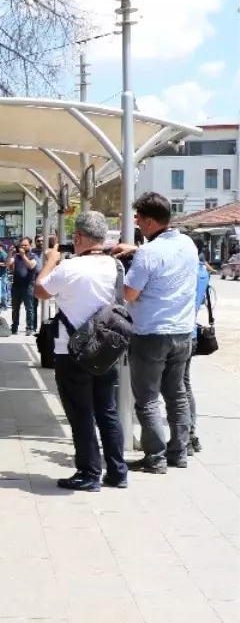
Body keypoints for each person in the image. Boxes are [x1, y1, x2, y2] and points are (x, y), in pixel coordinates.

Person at [33, 211, 127, 491]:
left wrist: (50, 261)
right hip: (107, 349)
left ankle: (88, 473)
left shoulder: (69, 268)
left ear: (78, 238)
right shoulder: (115, 266)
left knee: (81, 412)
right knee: (107, 410)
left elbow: (40, 290)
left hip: (72, 351)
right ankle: (117, 471)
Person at [112, 192, 198, 474]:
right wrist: (135, 250)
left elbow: (130, 293)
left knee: (147, 399)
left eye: (137, 218)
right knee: (177, 395)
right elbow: (165, 258)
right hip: (183, 332)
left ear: (149, 222)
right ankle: (179, 453)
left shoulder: (148, 253)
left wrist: (124, 270)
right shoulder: (188, 244)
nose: (135, 223)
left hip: (150, 334)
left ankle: (155, 458)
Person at [189, 242, 211, 455]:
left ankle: (186, 437)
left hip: (179, 331)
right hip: (191, 332)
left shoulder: (190, 270)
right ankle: (190, 434)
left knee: (176, 390)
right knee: (183, 387)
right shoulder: (203, 271)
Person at [8, 236, 40, 334]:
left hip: (28, 286)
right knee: (15, 308)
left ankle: (29, 328)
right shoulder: (16, 256)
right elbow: (8, 263)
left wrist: (23, 256)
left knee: (29, 308)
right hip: (16, 286)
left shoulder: (33, 256)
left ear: (30, 246)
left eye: (25, 245)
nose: (23, 247)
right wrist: (10, 253)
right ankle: (14, 328)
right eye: (21, 245)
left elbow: (31, 265)